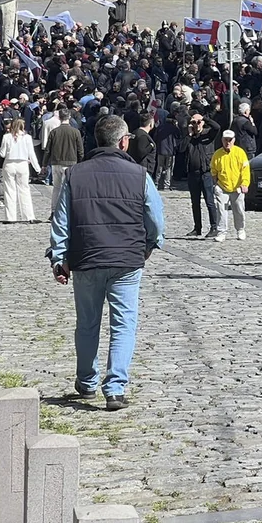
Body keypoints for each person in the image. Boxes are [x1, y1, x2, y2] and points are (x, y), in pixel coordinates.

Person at [48, 115, 165, 410]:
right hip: (127, 259)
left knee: (87, 324)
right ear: (124, 142)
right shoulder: (139, 174)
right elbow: (156, 220)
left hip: (86, 258)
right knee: (124, 324)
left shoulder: (75, 174)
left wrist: (59, 257)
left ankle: (87, 382)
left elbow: (61, 220)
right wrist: (149, 245)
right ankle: (115, 389)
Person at [182, 112, 221, 237]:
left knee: (209, 201)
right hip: (193, 174)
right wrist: (189, 133)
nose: (196, 125)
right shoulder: (189, 137)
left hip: (206, 173)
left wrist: (203, 118)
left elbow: (217, 127)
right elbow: (181, 149)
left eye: (198, 123)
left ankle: (214, 227)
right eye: (194, 122)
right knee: (195, 202)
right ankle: (197, 228)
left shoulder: (208, 135)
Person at [0, 117, 40, 223]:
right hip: (23, 164)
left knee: (9, 190)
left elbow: (2, 153)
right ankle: (29, 216)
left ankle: (10, 217)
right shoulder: (27, 138)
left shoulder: (7, 137)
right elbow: (31, 154)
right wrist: (37, 168)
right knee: (24, 189)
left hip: (9, 164)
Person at [210, 129, 251, 242]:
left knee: (239, 210)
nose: (227, 142)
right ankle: (221, 232)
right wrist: (215, 182)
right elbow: (213, 170)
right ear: (222, 140)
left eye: (230, 140)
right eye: (225, 140)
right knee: (221, 210)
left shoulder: (240, 153)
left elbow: (245, 170)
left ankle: (240, 229)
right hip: (222, 187)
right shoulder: (217, 154)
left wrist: (245, 183)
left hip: (237, 187)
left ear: (234, 140)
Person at [43, 108, 84, 218]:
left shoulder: (54, 132)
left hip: (56, 162)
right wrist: (81, 163)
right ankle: (66, 211)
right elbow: (80, 150)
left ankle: (54, 210)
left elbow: (48, 150)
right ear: (69, 117)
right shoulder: (75, 132)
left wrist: (44, 164)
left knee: (56, 187)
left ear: (59, 118)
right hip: (71, 162)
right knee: (67, 188)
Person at [129, 112, 157, 177]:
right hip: (143, 168)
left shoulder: (135, 132)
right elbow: (141, 152)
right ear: (150, 124)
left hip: (136, 166)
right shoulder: (143, 136)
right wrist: (151, 146)